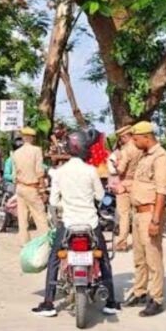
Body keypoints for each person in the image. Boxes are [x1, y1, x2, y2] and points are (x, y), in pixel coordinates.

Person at [32, 129, 120, 317]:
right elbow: (101, 196)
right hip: (90, 224)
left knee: (54, 259)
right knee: (103, 258)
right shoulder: (91, 171)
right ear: (84, 148)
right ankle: (111, 302)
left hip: (68, 224)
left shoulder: (59, 172)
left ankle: (48, 303)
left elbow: (53, 201)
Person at [123, 121, 166, 317]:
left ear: (147, 137)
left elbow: (161, 191)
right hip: (138, 213)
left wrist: (155, 220)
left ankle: (156, 298)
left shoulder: (161, 157)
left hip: (150, 213)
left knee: (153, 258)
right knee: (139, 258)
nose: (134, 143)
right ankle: (140, 291)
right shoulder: (145, 156)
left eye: (136, 139)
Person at [12, 127, 50, 245]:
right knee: (40, 216)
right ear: (32, 138)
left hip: (20, 187)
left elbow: (14, 175)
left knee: (22, 218)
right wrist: (43, 190)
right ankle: (46, 242)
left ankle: (24, 243)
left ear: (23, 138)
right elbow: (39, 172)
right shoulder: (36, 150)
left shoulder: (16, 153)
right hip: (32, 188)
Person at [112, 125, 142, 252]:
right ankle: (139, 242)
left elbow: (120, 170)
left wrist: (116, 165)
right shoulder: (141, 148)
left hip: (125, 183)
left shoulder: (126, 151)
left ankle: (122, 243)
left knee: (124, 214)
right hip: (138, 183)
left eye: (121, 138)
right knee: (137, 214)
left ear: (125, 137)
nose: (121, 141)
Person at [1, 137, 23, 232]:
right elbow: (6, 175)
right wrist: (15, 178)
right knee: (12, 198)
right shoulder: (10, 160)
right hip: (12, 184)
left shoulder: (26, 159)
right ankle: (7, 222)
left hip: (23, 184)